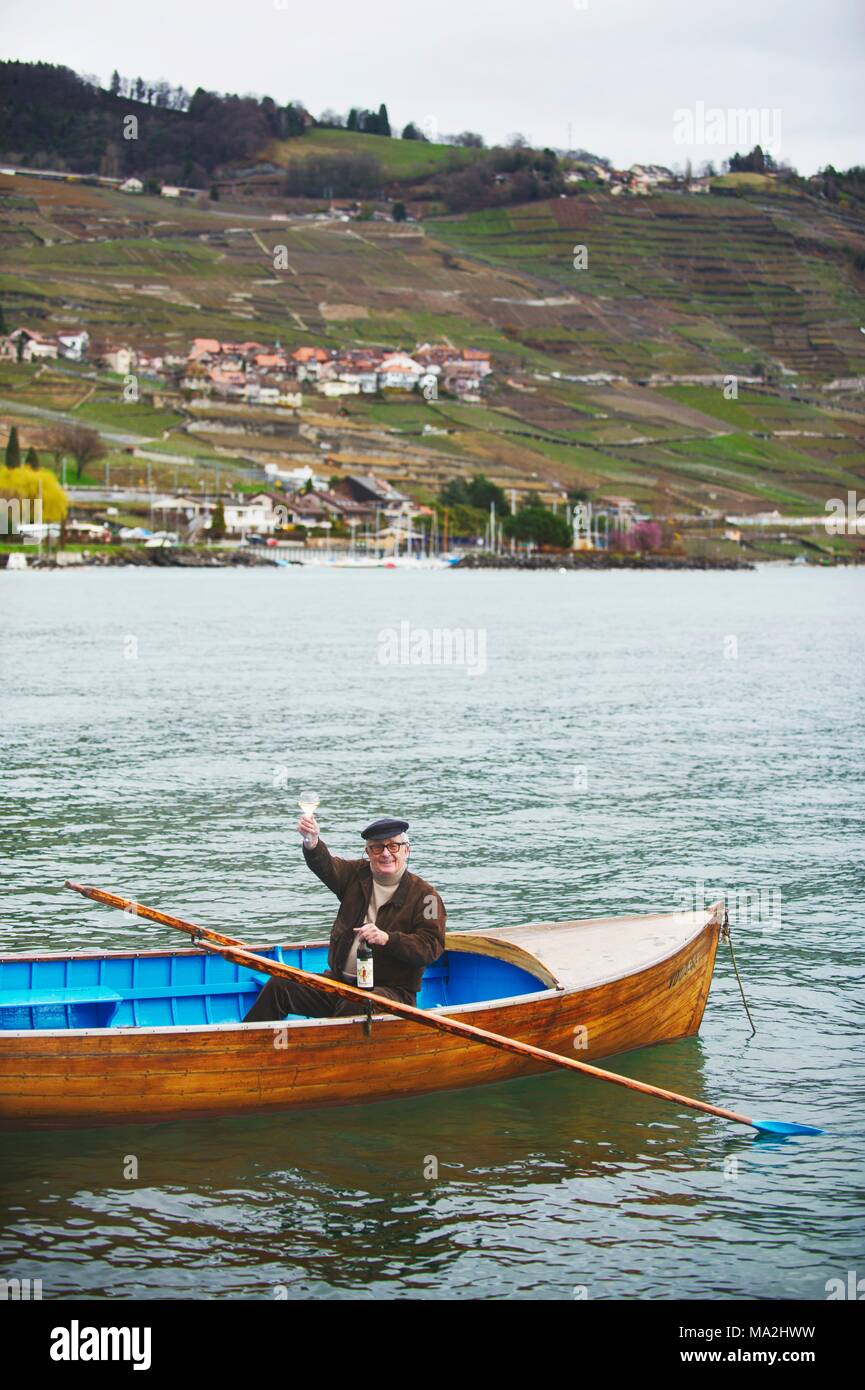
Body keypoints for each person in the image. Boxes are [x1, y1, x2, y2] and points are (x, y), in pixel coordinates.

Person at [243, 815, 446, 1022]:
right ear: (368, 853)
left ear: (406, 850)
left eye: (393, 846)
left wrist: (387, 938)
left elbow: (431, 946)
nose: (385, 853)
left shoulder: (427, 897)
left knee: (355, 1004)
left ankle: (330, 1053)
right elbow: (326, 866)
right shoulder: (356, 875)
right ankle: (244, 1048)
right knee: (281, 986)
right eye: (377, 848)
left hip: (392, 992)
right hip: (339, 983)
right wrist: (312, 841)